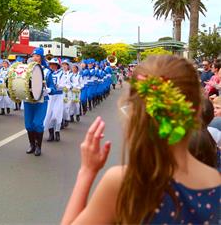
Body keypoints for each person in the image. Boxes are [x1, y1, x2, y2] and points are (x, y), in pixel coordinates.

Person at [61, 55, 220, 224]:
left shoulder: (123, 183)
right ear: (197, 112)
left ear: (136, 114)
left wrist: (86, 172)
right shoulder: (217, 183)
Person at [23, 48, 55, 156]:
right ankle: (31, 145)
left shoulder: (47, 71)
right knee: (28, 124)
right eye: (34, 55)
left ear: (41, 57)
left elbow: (53, 88)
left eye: (37, 56)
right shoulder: (27, 70)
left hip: (41, 101)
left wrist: (48, 90)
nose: (35, 58)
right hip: (28, 100)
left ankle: (38, 146)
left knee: (37, 123)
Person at [44, 59, 63, 142]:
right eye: (51, 64)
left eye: (54, 64)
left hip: (58, 95)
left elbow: (65, 84)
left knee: (56, 115)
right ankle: (51, 133)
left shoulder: (62, 73)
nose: (52, 66)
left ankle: (57, 131)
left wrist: (58, 85)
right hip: (51, 96)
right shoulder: (48, 73)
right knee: (49, 114)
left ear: (57, 65)